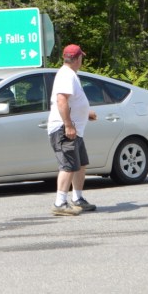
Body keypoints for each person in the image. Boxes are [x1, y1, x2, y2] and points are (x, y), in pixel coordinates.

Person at [47, 44, 98, 216]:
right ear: (77, 59)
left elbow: (72, 101)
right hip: (65, 129)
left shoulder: (70, 74)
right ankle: (60, 202)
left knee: (80, 164)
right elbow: (61, 100)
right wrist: (68, 125)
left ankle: (78, 199)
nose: (81, 60)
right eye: (81, 57)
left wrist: (85, 114)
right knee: (68, 165)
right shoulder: (66, 75)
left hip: (75, 128)